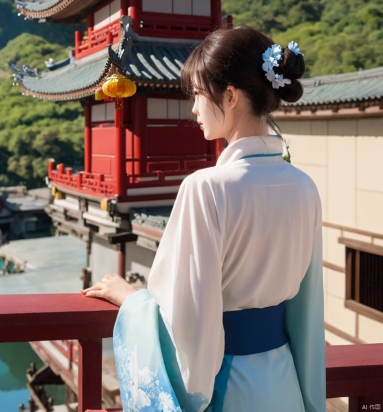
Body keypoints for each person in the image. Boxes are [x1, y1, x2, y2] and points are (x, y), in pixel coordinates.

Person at [83, 26, 326, 412]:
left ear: (229, 96)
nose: (193, 109)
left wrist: (132, 302)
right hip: (284, 383)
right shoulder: (304, 186)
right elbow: (309, 309)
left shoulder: (206, 188)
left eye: (197, 94)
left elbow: (186, 319)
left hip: (231, 389)